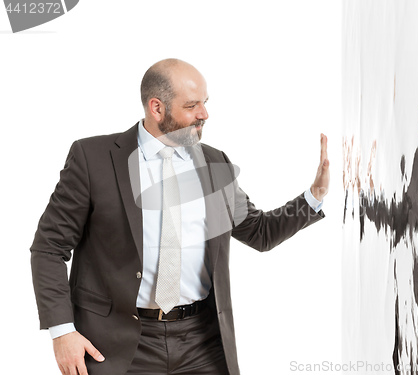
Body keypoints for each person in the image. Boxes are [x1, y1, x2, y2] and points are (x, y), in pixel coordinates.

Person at [30, 58, 330, 375]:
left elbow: (259, 232)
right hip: (117, 344)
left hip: (203, 342)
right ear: (156, 108)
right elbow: (49, 248)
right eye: (192, 105)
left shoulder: (215, 164)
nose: (204, 114)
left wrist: (314, 196)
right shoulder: (94, 159)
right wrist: (62, 331)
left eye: (205, 103)